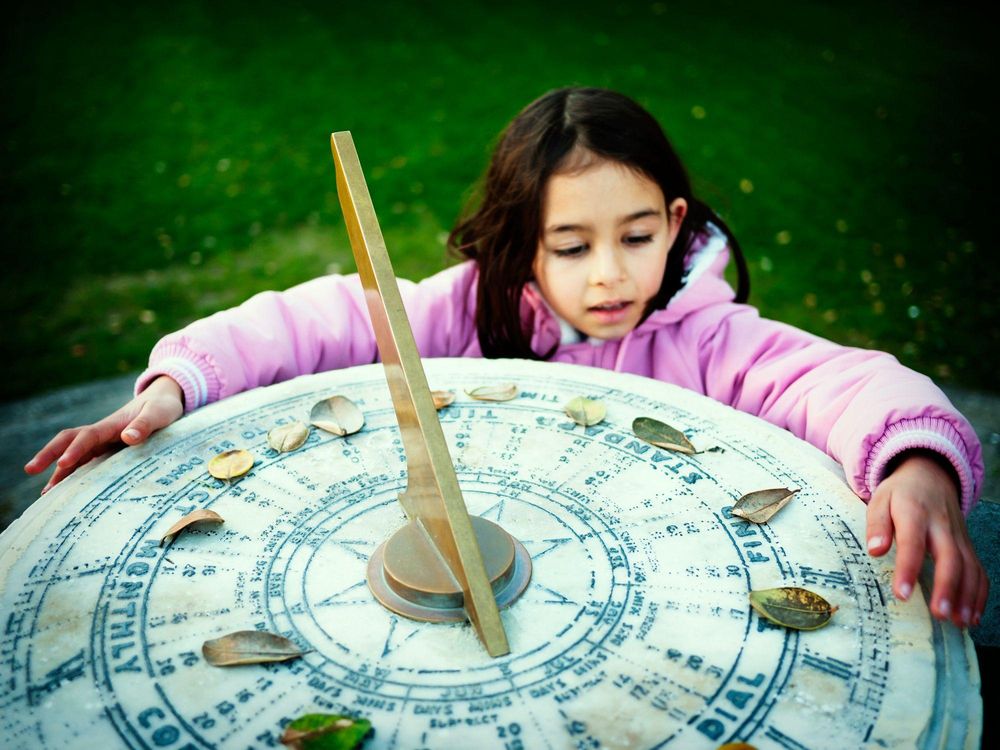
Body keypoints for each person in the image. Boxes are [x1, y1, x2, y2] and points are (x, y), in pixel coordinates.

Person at [25, 87, 987, 630]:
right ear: (521, 242)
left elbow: (844, 379)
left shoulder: (707, 334)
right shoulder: (459, 316)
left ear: (676, 226)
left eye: (638, 235)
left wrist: (915, 464)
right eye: (571, 246)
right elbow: (306, 321)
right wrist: (171, 386)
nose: (610, 276)